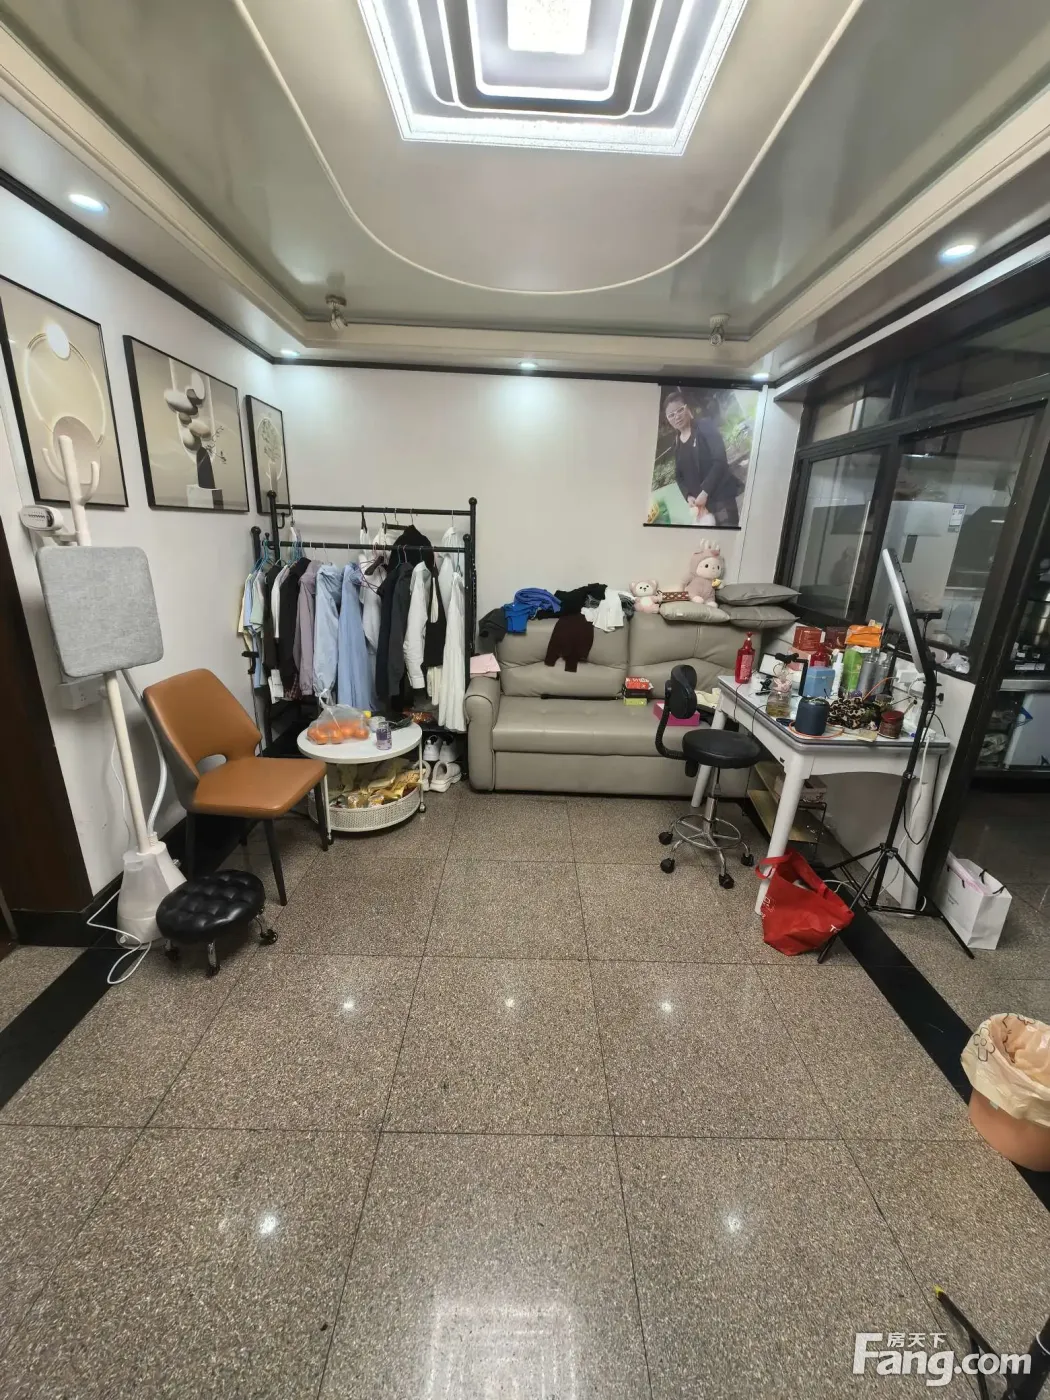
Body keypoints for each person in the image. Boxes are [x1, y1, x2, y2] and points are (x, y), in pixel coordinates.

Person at [663, 392, 741, 527]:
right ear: (668, 419)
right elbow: (679, 476)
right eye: (671, 415)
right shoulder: (677, 444)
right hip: (702, 508)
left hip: (721, 498)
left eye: (679, 410)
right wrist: (688, 496)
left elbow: (720, 460)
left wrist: (705, 492)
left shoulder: (704, 426)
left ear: (687, 408)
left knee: (729, 535)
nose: (677, 416)